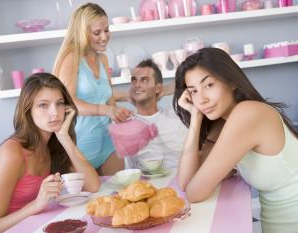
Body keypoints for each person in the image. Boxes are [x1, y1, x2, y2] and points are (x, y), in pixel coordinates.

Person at [173, 47, 298, 233]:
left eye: (209, 85)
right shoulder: (223, 122)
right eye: (193, 91)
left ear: (231, 82)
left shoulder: (247, 114)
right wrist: (195, 119)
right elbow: (185, 182)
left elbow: (194, 193)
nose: (202, 99)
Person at [0, 73, 100, 233]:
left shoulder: (53, 145)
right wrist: (36, 205)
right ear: (27, 110)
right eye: (43, 105)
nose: (55, 113)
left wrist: (64, 137)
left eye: (60, 103)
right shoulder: (12, 153)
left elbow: (93, 185)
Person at [53, 2, 131, 175]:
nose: (104, 37)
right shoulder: (71, 59)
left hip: (107, 142)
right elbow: (68, 102)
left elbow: (108, 99)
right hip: (79, 145)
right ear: (81, 33)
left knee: (118, 195)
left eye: (107, 30)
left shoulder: (103, 59)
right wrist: (106, 110)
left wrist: (118, 113)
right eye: (97, 32)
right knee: (87, 200)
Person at [124, 59, 188, 169]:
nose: (137, 85)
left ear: (158, 88)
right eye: (134, 80)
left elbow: (191, 78)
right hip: (144, 183)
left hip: (179, 179)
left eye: (144, 80)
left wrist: (165, 91)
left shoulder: (178, 116)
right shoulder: (124, 123)